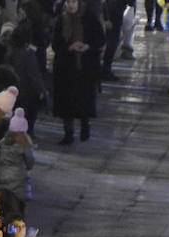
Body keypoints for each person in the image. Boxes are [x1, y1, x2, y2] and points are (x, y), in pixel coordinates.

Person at [52, 0, 103, 144]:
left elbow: (100, 39)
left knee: (83, 99)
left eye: (74, 2)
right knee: (66, 102)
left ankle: (84, 125)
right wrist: (69, 47)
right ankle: (68, 133)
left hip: (85, 68)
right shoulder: (61, 19)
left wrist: (87, 46)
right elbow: (55, 43)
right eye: (68, 2)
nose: (71, 5)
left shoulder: (89, 17)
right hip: (66, 69)